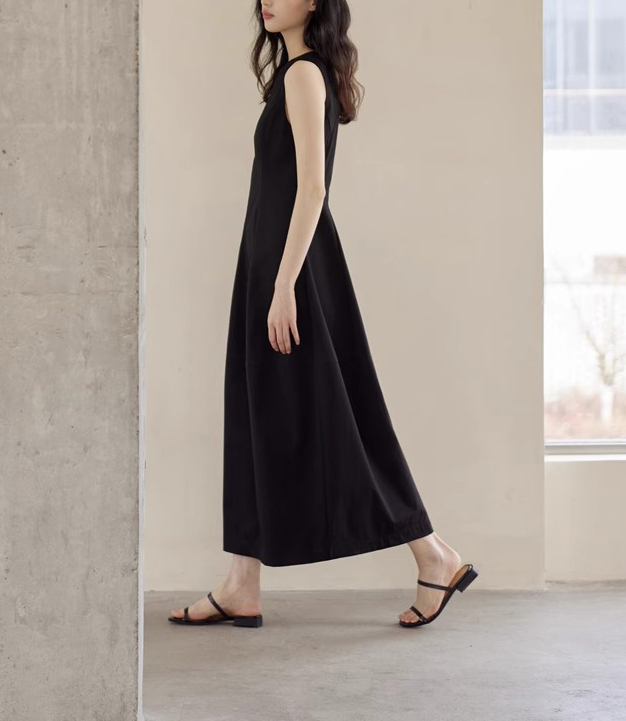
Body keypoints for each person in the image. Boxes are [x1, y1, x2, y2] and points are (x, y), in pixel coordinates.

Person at [169, 0, 477, 629]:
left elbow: (313, 187)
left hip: (293, 273)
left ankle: (434, 554)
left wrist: (285, 285)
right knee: (256, 414)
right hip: (270, 268)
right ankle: (242, 583)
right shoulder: (295, 74)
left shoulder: (304, 74)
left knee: (343, 420)